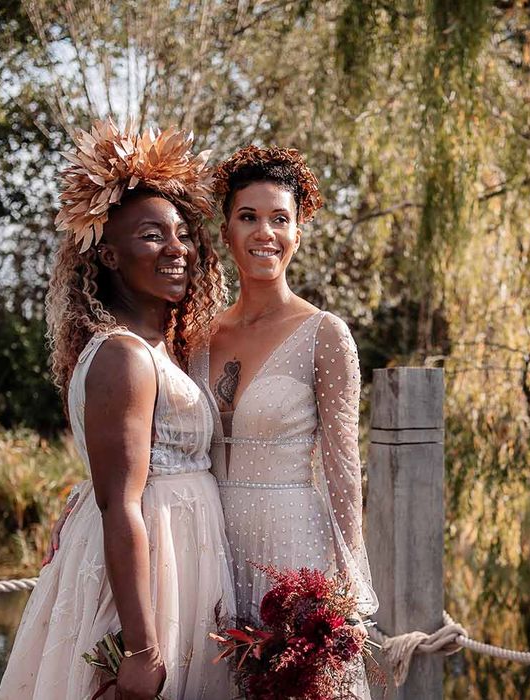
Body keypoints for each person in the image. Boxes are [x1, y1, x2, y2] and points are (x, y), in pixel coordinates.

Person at [0, 118, 235, 700]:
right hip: (149, 577)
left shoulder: (158, 349)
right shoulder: (123, 357)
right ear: (107, 254)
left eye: (181, 233)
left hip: (185, 558)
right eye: (152, 236)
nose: (177, 249)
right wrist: (141, 649)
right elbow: (119, 504)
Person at [189, 146, 378, 696]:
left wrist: (351, 585)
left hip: (291, 541)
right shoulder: (196, 333)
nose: (263, 233)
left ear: (298, 233)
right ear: (225, 231)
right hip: (207, 539)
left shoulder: (325, 334)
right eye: (248, 217)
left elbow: (344, 469)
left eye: (280, 219)